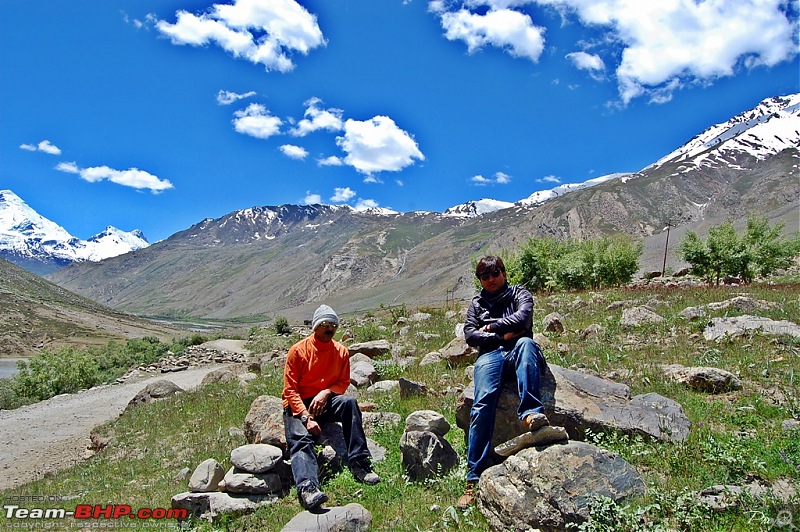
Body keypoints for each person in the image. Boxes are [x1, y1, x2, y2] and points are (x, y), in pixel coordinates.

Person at [457, 256, 548, 509]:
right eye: (484, 277)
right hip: (491, 354)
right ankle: (473, 480)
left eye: (494, 274)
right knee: (482, 404)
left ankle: (531, 414)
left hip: (519, 348)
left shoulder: (521, 293)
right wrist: (500, 334)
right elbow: (470, 335)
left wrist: (491, 327)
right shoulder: (477, 302)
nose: (490, 280)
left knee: (527, 343)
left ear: (504, 273)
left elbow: (523, 319)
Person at [282, 304, 380, 511]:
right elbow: (290, 391)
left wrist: (325, 392)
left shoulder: (341, 351)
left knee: (350, 403)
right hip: (298, 403)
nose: (330, 329)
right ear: (316, 326)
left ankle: (359, 463)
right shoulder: (298, 351)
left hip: (324, 400)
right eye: (325, 324)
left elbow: (343, 383)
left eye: (333, 325)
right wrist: (306, 417)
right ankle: (308, 487)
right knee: (301, 439)